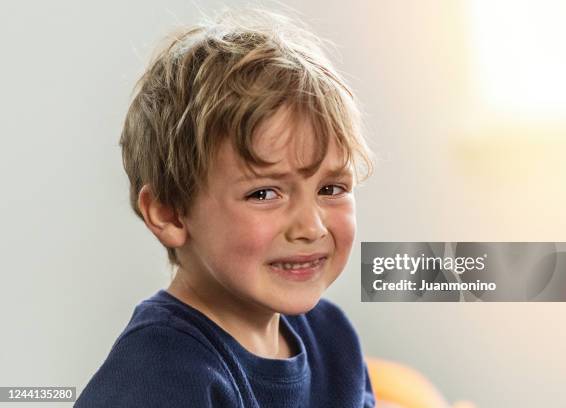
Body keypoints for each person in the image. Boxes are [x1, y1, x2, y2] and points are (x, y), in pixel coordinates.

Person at [76, 7, 375, 407]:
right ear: (169, 213)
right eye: (265, 194)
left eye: (331, 188)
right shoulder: (159, 379)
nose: (311, 226)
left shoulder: (331, 337)